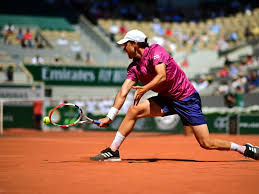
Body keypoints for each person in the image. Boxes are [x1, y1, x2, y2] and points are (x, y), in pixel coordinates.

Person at [90, 29, 259, 161]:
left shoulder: (156, 51)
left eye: (125, 44)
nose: (123, 48)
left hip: (187, 99)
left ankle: (243, 149)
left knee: (206, 143)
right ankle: (113, 151)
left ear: (134, 43)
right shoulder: (134, 67)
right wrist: (110, 117)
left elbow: (161, 75)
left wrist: (144, 88)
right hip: (166, 99)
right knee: (133, 111)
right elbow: (123, 92)